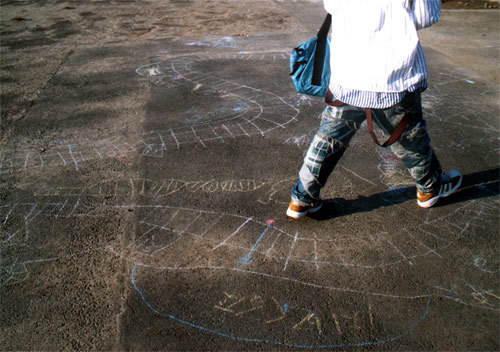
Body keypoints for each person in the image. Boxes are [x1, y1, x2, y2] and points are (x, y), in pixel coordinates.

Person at [286, 0, 462, 219]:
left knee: (329, 137)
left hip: (348, 73)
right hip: (392, 76)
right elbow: (427, 16)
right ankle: (429, 187)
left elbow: (332, 6)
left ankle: (302, 197)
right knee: (409, 137)